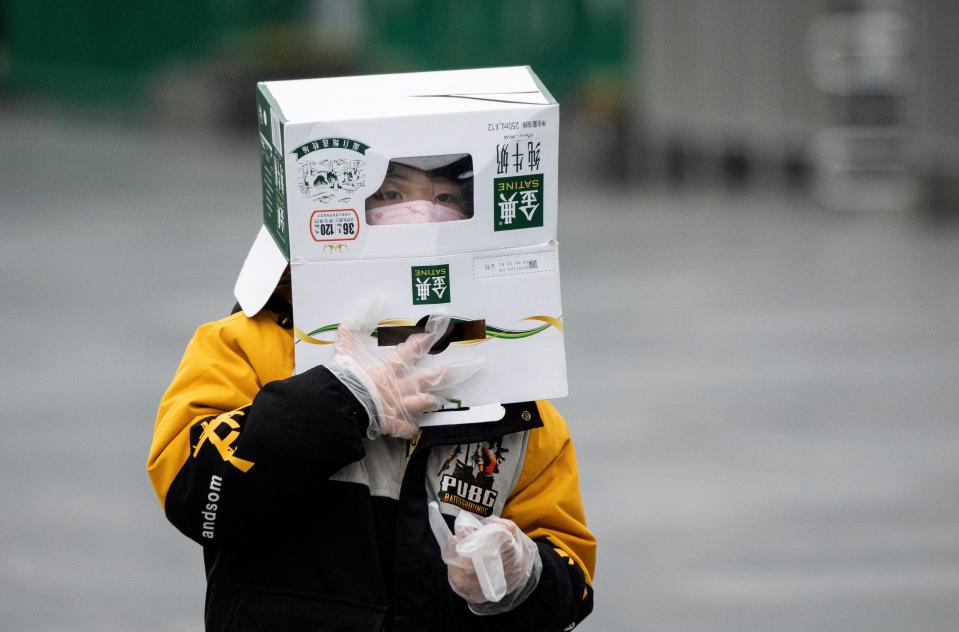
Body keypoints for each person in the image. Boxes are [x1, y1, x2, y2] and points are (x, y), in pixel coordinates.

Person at [147, 155, 595, 631]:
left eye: (444, 199)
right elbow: (196, 498)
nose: (422, 216)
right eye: (393, 196)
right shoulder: (246, 345)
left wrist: (523, 575)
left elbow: (572, 580)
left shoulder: (516, 393)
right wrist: (341, 397)